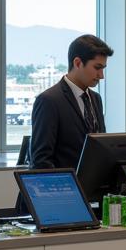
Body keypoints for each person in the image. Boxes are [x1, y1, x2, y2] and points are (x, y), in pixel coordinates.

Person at [29, 35, 113, 171]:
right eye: (97, 68)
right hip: (63, 188)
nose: (101, 75)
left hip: (91, 188)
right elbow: (41, 160)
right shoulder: (49, 101)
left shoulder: (96, 99)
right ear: (78, 63)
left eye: (103, 68)